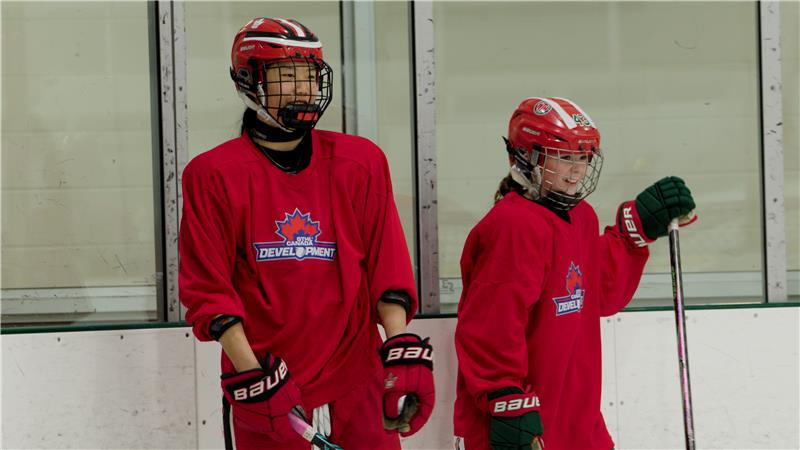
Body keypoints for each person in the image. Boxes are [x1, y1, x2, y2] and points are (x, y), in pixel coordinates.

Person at [178, 17, 434, 450]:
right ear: (246, 81)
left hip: (358, 376)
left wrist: (400, 346)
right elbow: (209, 292)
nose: (301, 89)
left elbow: (386, 263)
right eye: (285, 76)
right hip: (268, 384)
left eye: (309, 76)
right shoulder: (213, 175)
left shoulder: (361, 162)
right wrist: (255, 377)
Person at [452, 97, 696, 450]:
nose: (576, 170)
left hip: (577, 423)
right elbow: (490, 326)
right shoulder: (512, 226)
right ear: (526, 156)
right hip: (522, 426)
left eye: (583, 158)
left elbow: (596, 292)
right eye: (564, 157)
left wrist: (635, 229)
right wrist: (504, 398)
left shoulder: (582, 216)